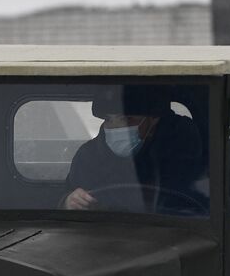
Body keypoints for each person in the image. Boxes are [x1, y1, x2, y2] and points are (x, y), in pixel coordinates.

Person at [61, 86, 209, 216]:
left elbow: (202, 202)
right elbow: (65, 201)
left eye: (127, 119)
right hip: (102, 233)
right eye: (109, 120)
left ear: (153, 120)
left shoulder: (184, 153)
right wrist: (69, 201)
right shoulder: (88, 157)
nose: (116, 127)